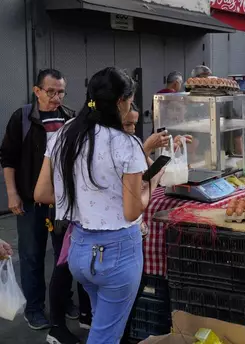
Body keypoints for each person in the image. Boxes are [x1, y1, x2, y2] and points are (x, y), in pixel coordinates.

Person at [34, 67, 163, 344]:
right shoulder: (126, 144)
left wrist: (83, 193)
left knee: (102, 325)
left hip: (79, 251)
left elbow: (42, 192)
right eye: (129, 100)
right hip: (118, 254)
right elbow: (132, 211)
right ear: (120, 102)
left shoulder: (65, 133)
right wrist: (153, 183)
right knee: (105, 336)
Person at [0, 69, 84, 333]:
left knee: (64, 255)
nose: (56, 97)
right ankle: (34, 308)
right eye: (51, 91)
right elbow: (8, 158)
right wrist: (12, 193)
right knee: (32, 255)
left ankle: (64, 301)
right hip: (29, 201)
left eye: (61, 92)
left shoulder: (70, 117)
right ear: (37, 91)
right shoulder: (23, 118)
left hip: (62, 202)